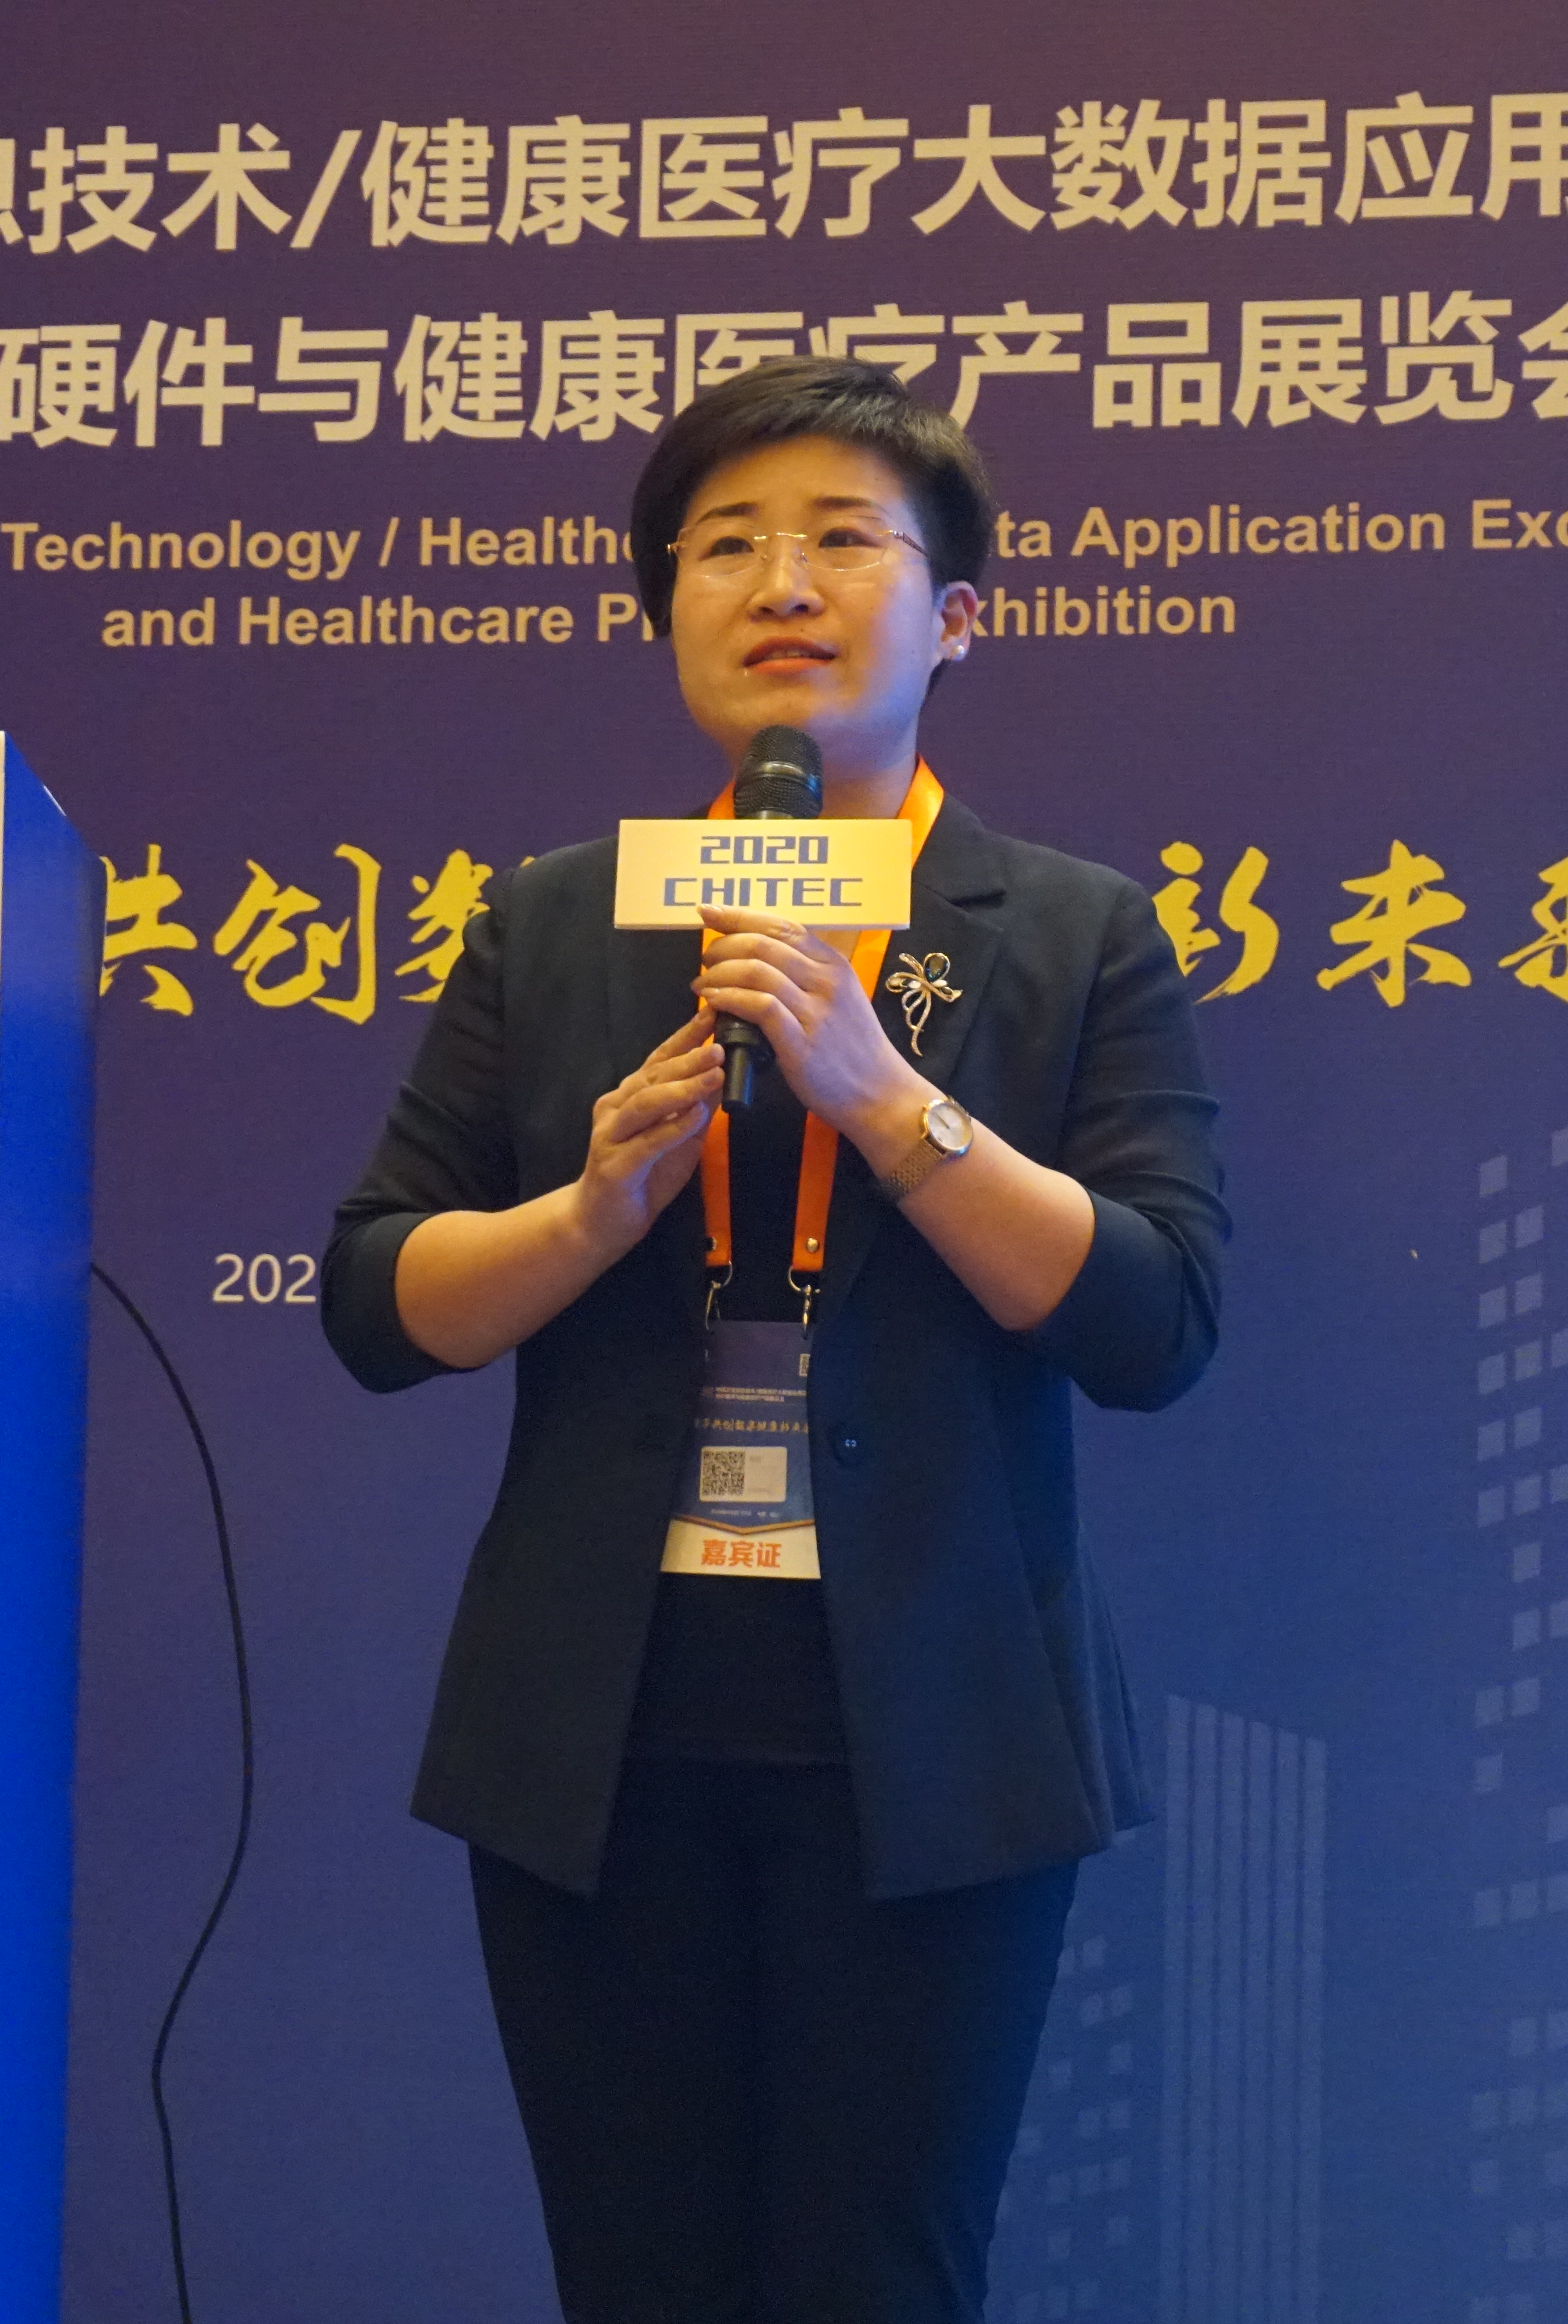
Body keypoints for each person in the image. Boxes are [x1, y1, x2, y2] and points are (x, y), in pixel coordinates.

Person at [321, 356, 1227, 2324]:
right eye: (725, 546)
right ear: (668, 615)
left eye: (841, 540)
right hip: (602, 1718)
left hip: (939, 1717)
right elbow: (376, 1303)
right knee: (635, 2276)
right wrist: (589, 1211)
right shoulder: (560, 922)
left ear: (956, 615)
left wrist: (888, 1103)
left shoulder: (1070, 930)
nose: (781, 584)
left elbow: (1156, 1320)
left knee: (875, 2279)